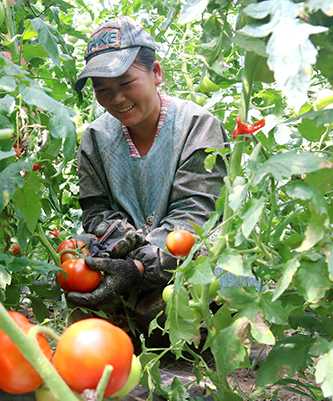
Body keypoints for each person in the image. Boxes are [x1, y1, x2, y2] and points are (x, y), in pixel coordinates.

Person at [66, 16, 229, 342]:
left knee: (205, 259)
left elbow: (196, 215)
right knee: (76, 250)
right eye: (103, 91)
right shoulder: (96, 139)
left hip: (185, 268)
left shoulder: (197, 127)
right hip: (127, 262)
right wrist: (118, 240)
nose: (116, 99)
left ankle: (177, 329)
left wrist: (141, 264)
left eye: (126, 83)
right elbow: (95, 211)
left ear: (156, 73)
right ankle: (122, 325)